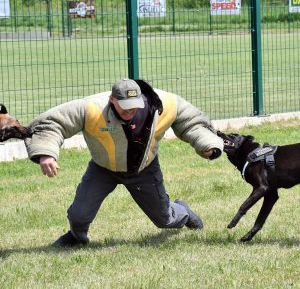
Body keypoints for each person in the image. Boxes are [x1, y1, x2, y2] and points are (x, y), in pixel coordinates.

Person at [25, 78, 223, 247]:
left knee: (166, 219)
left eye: (135, 105)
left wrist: (207, 144)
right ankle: (77, 238)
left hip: (144, 169)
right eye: (125, 107)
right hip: (103, 169)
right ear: (112, 100)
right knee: (78, 215)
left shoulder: (164, 103)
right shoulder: (91, 107)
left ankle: (184, 211)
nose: (131, 111)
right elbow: (52, 123)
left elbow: (192, 122)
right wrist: (46, 153)